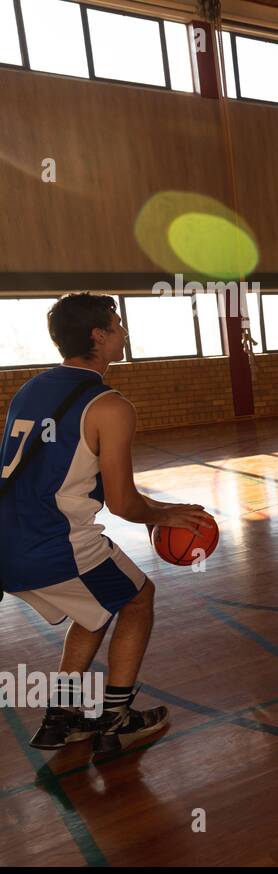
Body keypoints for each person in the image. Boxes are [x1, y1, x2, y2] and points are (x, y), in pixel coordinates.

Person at [0, 293, 207, 753]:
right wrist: (166, 514)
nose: (123, 332)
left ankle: (63, 717)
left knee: (94, 605)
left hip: (9, 538)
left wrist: (155, 506)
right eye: (117, 324)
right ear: (98, 335)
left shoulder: (31, 388)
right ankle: (117, 718)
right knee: (138, 598)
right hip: (54, 541)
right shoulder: (110, 406)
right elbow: (123, 503)